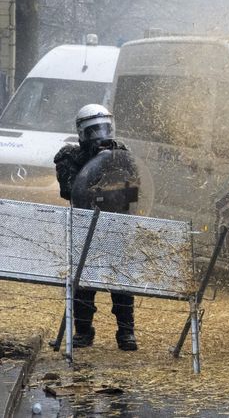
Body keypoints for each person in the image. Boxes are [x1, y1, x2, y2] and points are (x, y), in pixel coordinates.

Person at [53, 104, 140, 351]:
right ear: (82, 133)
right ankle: (83, 331)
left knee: (121, 281)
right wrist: (93, 160)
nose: (98, 136)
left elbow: (133, 189)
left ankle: (126, 332)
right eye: (92, 131)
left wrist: (112, 161)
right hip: (84, 224)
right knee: (83, 282)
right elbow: (69, 190)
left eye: (102, 129)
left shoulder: (121, 152)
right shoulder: (68, 156)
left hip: (116, 226)